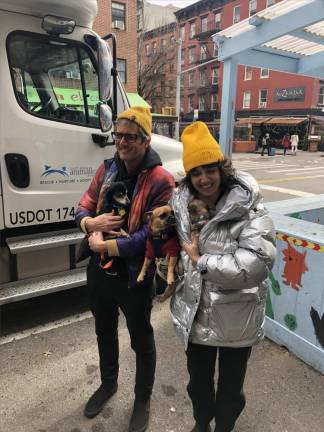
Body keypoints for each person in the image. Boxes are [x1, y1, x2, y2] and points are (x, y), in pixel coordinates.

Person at [169, 121, 276, 432]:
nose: (204, 178)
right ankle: (202, 424)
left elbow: (254, 265)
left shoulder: (249, 207)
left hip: (236, 318)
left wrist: (200, 261)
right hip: (196, 315)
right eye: (196, 172)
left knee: (230, 392)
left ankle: (223, 429)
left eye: (209, 169)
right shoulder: (184, 205)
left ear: (221, 168)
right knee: (197, 385)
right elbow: (181, 246)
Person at [75, 106, 175, 432]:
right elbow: (83, 206)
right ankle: (108, 384)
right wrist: (92, 222)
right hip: (100, 272)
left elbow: (154, 232)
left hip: (135, 276)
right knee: (104, 330)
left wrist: (110, 245)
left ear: (145, 140)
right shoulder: (106, 170)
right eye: (118, 135)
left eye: (129, 136)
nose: (121, 142)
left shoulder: (161, 180)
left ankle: (142, 399)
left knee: (141, 340)